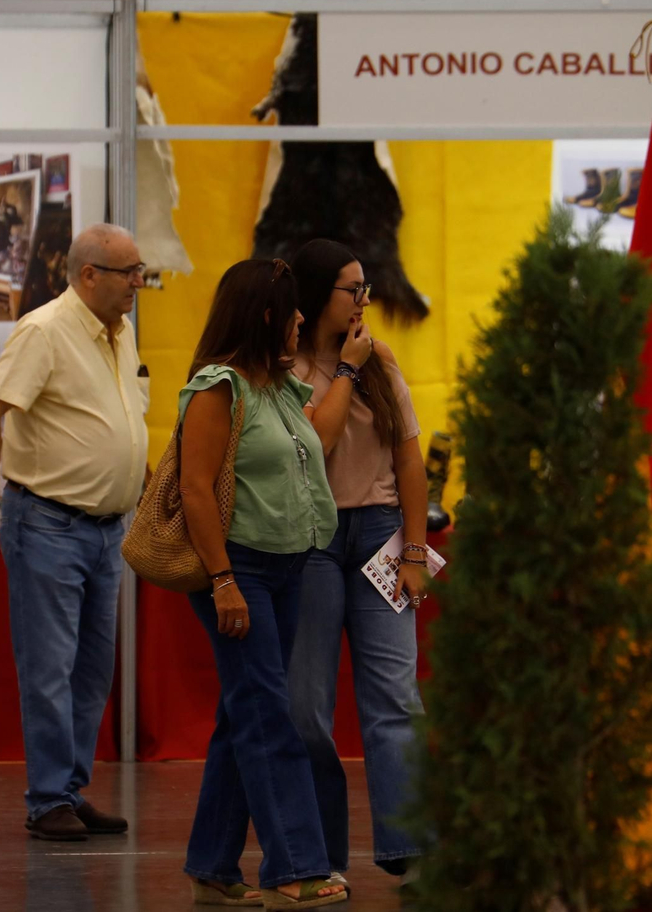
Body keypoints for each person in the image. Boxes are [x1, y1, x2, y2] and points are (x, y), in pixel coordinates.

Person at [0, 223, 148, 842]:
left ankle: (66, 789)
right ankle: (46, 800)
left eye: (140, 271)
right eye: (129, 273)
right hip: (49, 524)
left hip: (105, 529)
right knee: (49, 668)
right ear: (88, 275)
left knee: (92, 670)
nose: (139, 284)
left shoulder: (120, 332)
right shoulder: (43, 329)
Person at [177, 258, 347, 909]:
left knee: (244, 710)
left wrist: (352, 372)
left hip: (288, 566)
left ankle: (214, 864)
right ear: (266, 314)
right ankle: (294, 867)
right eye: (294, 311)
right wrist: (222, 580)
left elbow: (316, 442)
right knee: (269, 714)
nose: (304, 322)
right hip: (239, 568)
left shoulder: (279, 387)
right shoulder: (217, 387)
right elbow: (196, 489)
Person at [285, 239, 431, 887]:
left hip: (378, 533)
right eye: (354, 289)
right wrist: (343, 369)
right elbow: (317, 440)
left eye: (366, 289)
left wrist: (417, 550)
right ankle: (321, 858)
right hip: (310, 537)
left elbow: (410, 460)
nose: (364, 301)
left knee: (395, 696)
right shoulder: (282, 366)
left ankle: (411, 845)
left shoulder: (382, 359)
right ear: (320, 296)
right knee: (307, 705)